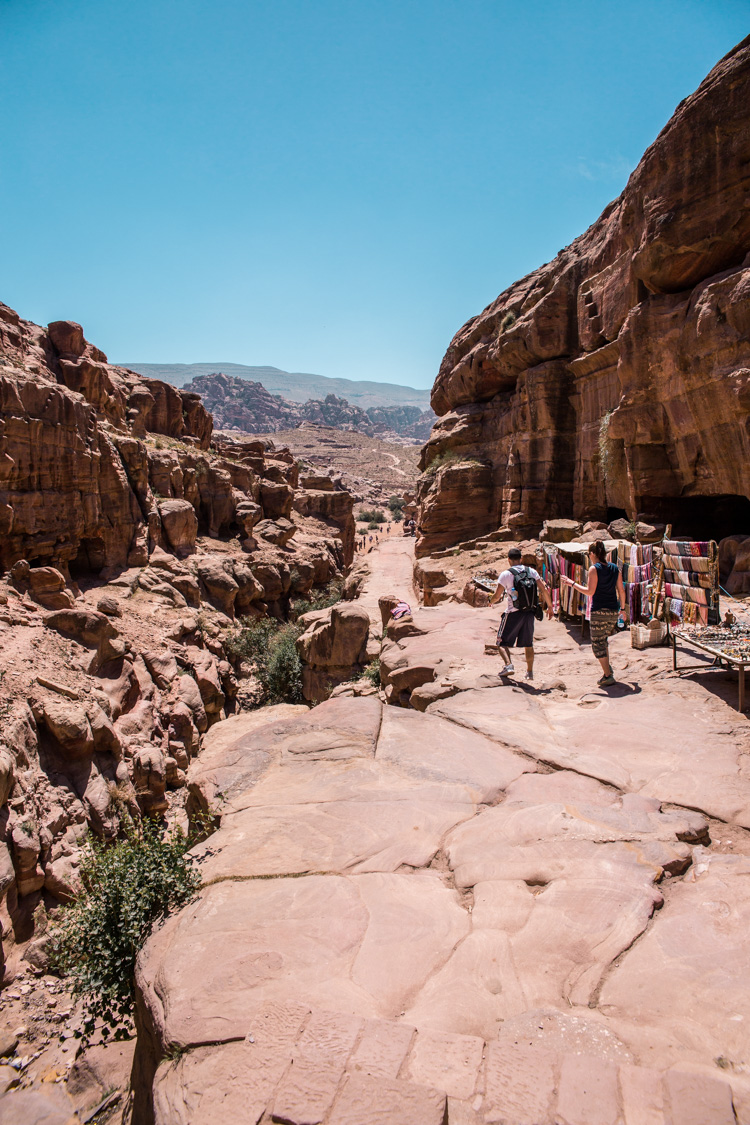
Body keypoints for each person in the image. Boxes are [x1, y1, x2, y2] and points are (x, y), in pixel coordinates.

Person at [560, 540, 625, 686]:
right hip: (613, 611)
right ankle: (607, 671)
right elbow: (621, 590)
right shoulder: (615, 569)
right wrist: (622, 609)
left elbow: (590, 592)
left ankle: (608, 675)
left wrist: (572, 583)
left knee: (597, 643)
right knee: (604, 640)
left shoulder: (594, 569)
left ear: (592, 554)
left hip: (599, 611)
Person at [490, 547, 553, 680]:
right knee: (528, 643)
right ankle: (529, 672)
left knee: (501, 642)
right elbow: (544, 589)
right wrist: (551, 607)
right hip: (530, 612)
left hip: (513, 613)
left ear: (508, 560)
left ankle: (508, 666)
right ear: (521, 559)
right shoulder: (531, 571)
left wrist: (491, 601)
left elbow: (497, 595)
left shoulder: (506, 574)